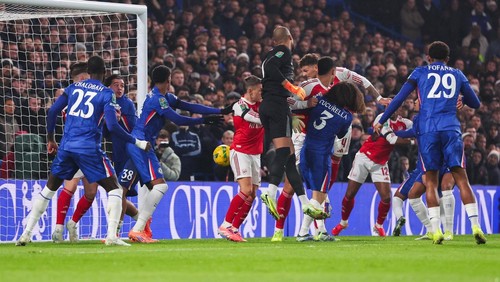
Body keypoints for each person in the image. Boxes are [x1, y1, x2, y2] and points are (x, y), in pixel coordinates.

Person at [16, 56, 151, 247]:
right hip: (89, 148)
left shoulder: (72, 88)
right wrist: (137, 142)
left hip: (67, 146)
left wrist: (50, 138)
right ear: (104, 73)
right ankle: (112, 236)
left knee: (49, 189)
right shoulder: (106, 93)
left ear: (88, 71)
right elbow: (112, 127)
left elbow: (53, 111)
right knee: (114, 188)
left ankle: (26, 234)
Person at [373, 41, 486, 244]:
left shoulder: (420, 72)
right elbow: (476, 103)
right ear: (448, 59)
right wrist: (461, 98)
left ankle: (435, 231)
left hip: (427, 130)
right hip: (451, 128)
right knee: (462, 179)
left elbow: (399, 99)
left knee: (431, 181)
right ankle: (476, 226)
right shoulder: (457, 74)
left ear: (428, 58)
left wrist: (381, 119)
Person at [271, 55, 390, 242]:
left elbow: (364, 81)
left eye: (306, 69)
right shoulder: (309, 86)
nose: (305, 73)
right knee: (294, 184)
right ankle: (281, 230)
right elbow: (288, 102)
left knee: (325, 182)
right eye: (303, 71)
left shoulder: (341, 76)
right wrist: (300, 110)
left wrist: (379, 97)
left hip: (321, 136)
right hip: (305, 135)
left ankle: (320, 229)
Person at [123, 65, 224, 243]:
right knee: (161, 186)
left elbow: (187, 105)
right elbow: (177, 119)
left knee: (147, 187)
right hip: (142, 144)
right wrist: (203, 121)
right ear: (168, 80)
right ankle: (137, 229)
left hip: (139, 143)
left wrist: (219, 111)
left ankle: (142, 228)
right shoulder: (158, 100)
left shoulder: (163, 97)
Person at [258, 26, 325, 221]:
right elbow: (272, 69)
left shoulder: (269, 55)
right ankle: (269, 193)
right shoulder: (283, 51)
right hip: (276, 105)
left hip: (271, 106)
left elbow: (269, 69)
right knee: (283, 153)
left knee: (289, 161)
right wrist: (291, 86)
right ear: (289, 37)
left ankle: (305, 204)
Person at [296, 82, 365, 241]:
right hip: (321, 156)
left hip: (306, 151)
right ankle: (303, 231)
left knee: (317, 194)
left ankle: (310, 231)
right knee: (320, 195)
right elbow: (341, 135)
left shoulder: (318, 101)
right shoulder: (346, 117)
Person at [332, 106, 414, 237]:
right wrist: (412, 141)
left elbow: (417, 129)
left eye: (397, 108)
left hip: (380, 162)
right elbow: (392, 139)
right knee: (350, 194)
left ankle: (379, 225)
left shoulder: (405, 123)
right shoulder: (381, 118)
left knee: (386, 197)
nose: (394, 110)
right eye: (391, 108)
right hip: (364, 157)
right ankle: (343, 222)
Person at [51, 62, 99, 243]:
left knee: (91, 192)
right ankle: (58, 228)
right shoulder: (70, 95)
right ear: (81, 79)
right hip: (73, 147)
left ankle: (73, 222)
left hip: (90, 148)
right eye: (87, 79)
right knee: (69, 188)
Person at [218, 75, 263, 242]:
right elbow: (251, 117)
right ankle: (225, 225)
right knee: (245, 190)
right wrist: (270, 118)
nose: (261, 94)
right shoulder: (239, 106)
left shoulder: (261, 103)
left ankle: (235, 229)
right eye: (259, 91)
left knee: (252, 195)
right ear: (250, 91)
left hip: (256, 153)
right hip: (240, 151)